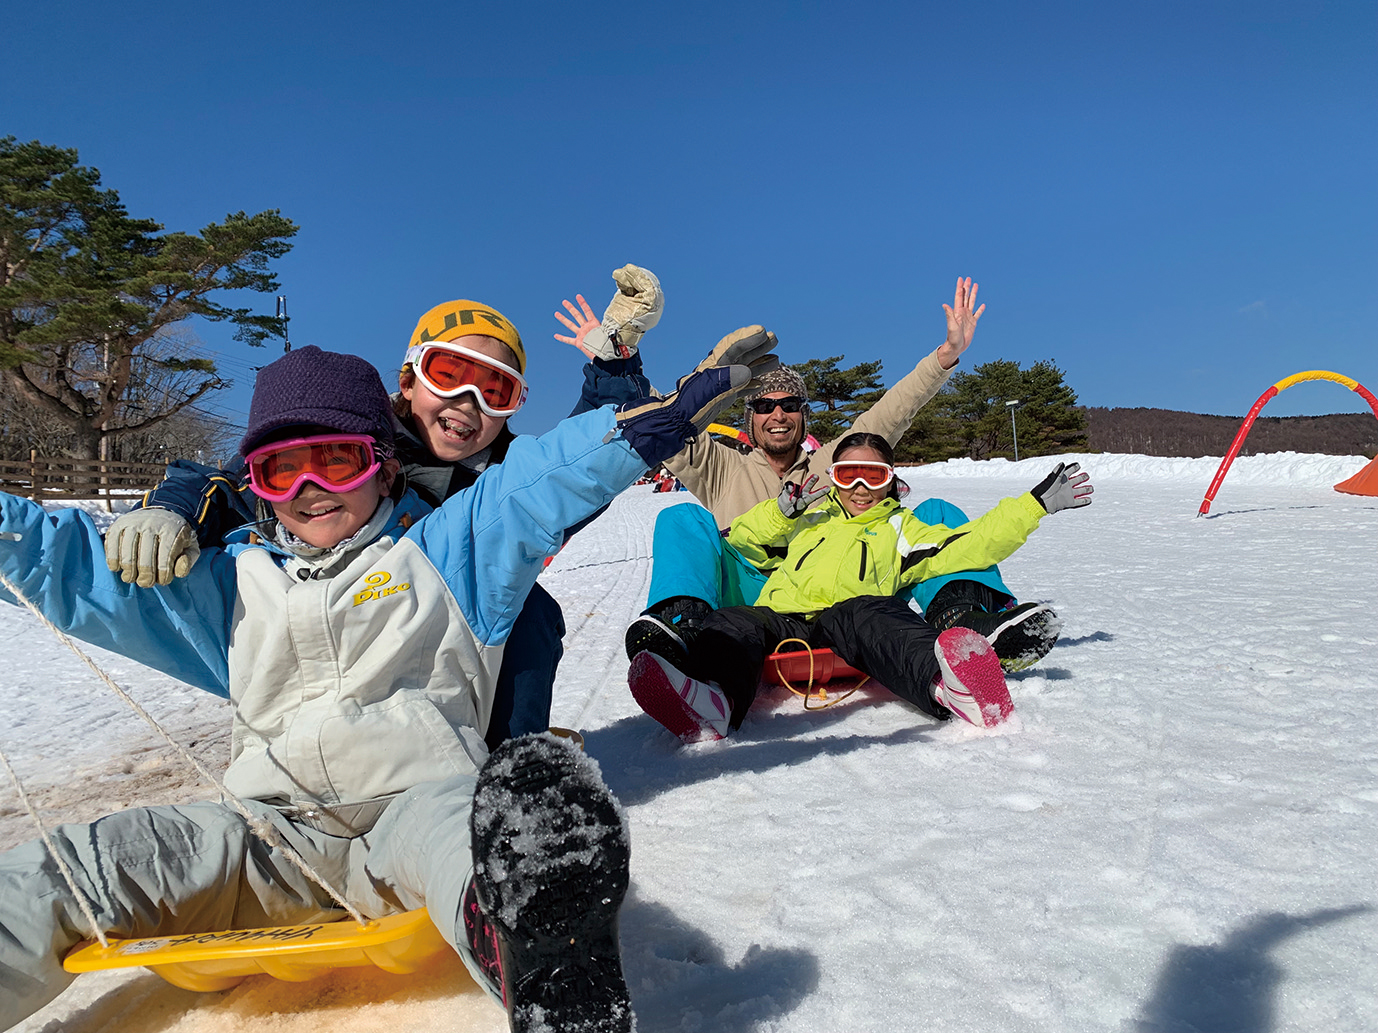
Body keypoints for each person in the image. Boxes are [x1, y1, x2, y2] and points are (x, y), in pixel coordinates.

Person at [0, 334, 772, 1032]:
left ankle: (545, 962)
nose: (310, 485)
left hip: (417, 804)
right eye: (280, 468)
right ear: (257, 483)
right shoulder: (228, 584)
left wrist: (648, 421)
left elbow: (545, 480)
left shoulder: (450, 549)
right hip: (270, 834)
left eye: (335, 459)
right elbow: (55, 562)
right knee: (67, 870)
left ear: (383, 462)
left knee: (479, 848)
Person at [103, 267, 662, 749]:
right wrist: (173, 510)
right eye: (448, 376)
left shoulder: (508, 476)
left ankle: (509, 760)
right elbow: (234, 484)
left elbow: (588, 454)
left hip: (438, 619)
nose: (468, 404)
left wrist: (614, 365)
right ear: (408, 381)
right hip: (330, 610)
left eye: (495, 391)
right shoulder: (352, 443)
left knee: (530, 613)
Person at [624, 277, 1062, 675]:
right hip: (756, 602)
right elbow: (658, 425)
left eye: (790, 405)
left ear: (804, 415)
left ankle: (966, 622)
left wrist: (944, 357)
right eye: (764, 406)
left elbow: (890, 414)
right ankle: (684, 629)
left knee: (936, 513)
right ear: (750, 417)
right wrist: (620, 363)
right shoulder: (719, 466)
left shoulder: (831, 464)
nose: (778, 414)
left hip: (845, 588)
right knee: (681, 518)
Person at [626, 432, 1094, 742]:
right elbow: (742, 543)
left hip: (849, 618)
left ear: (891, 482)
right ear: (834, 478)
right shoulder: (810, 517)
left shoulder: (901, 526)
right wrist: (781, 514)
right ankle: (715, 702)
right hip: (784, 615)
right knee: (734, 624)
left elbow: (970, 543)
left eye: (875, 476)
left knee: (875, 613)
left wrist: (1033, 506)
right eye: (849, 475)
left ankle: (948, 687)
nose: (861, 488)